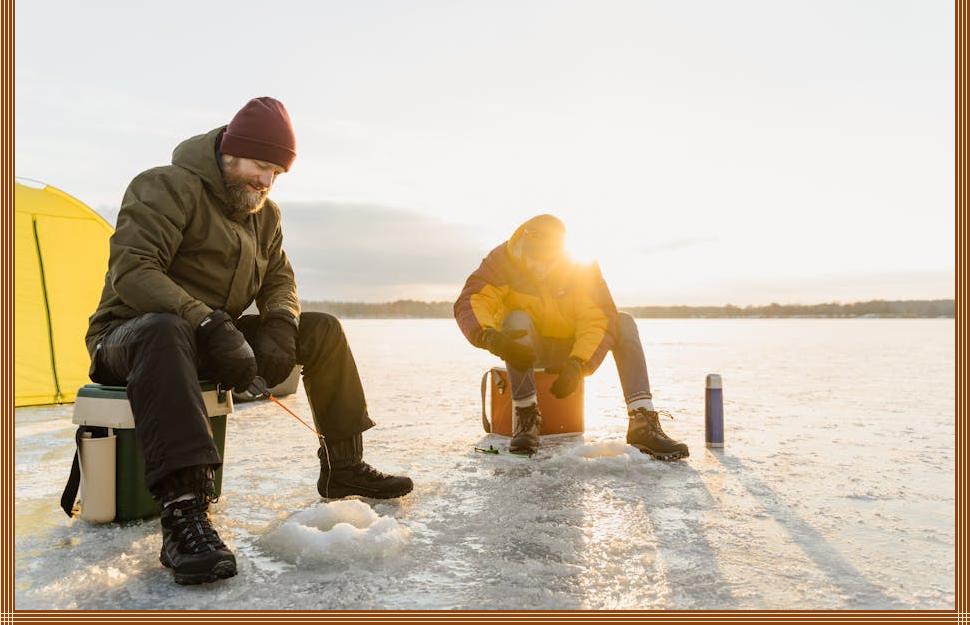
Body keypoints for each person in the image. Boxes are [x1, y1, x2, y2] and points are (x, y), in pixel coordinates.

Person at [85, 97, 413, 585]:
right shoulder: (165, 187)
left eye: (276, 173)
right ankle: (184, 512)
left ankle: (344, 465)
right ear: (229, 152)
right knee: (165, 329)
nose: (266, 181)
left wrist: (280, 324)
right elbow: (134, 271)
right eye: (261, 166)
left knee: (321, 329)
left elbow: (280, 279)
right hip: (130, 337)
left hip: (207, 337)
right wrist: (207, 323)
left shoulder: (266, 215)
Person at [453, 214, 689, 459]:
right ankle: (526, 415)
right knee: (516, 319)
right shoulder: (503, 260)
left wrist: (578, 363)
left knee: (623, 322)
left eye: (546, 261)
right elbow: (473, 299)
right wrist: (490, 337)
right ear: (523, 246)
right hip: (524, 350)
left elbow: (598, 317)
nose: (537, 268)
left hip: (571, 352)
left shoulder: (581, 267)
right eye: (532, 257)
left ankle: (642, 419)